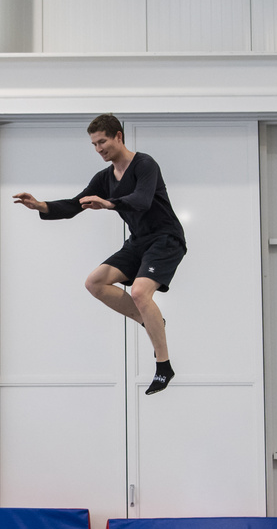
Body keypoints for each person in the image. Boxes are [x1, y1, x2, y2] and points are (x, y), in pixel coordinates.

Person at [13, 113, 186, 394]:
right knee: (95, 282)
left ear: (118, 136)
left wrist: (109, 203)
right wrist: (41, 205)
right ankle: (150, 321)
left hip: (165, 238)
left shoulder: (144, 164)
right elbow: (75, 205)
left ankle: (163, 366)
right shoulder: (105, 177)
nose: (98, 149)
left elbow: (142, 200)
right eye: (94, 144)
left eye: (102, 142)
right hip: (138, 241)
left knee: (140, 292)